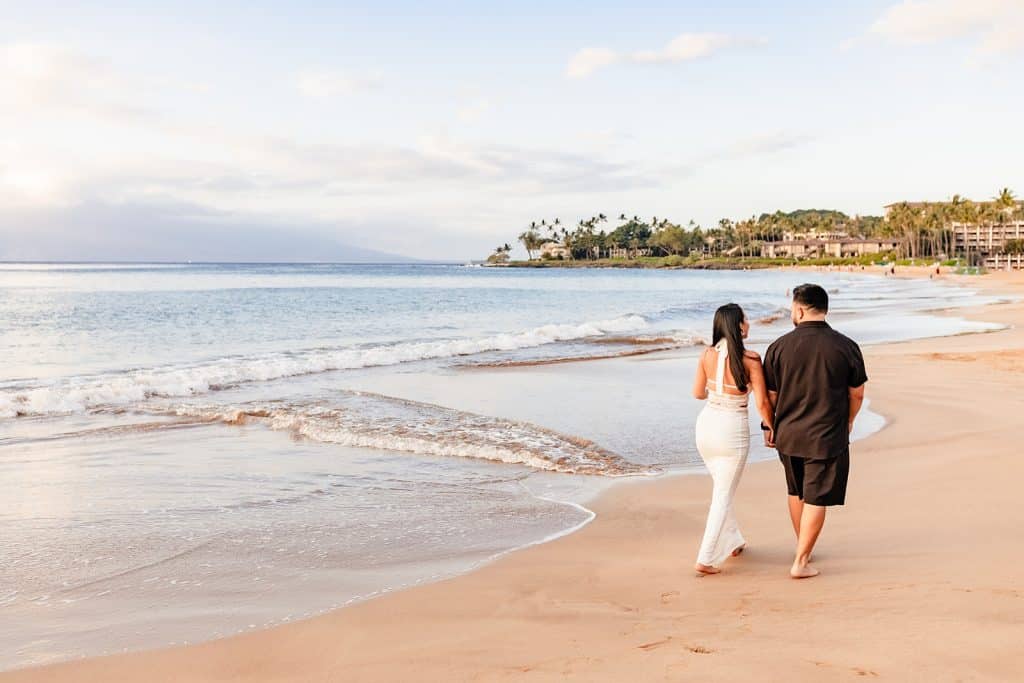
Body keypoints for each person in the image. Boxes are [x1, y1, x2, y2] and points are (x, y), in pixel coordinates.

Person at [763, 284, 867, 579]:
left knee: (796, 491)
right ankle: (801, 561)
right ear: (824, 309)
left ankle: (802, 546)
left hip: (788, 433)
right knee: (816, 496)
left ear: (798, 310)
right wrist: (849, 421)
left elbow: (769, 396)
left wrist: (768, 426)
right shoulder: (846, 346)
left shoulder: (778, 347)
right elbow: (856, 393)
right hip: (826, 433)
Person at [691, 304, 775, 575]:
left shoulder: (706, 355)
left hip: (705, 427)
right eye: (746, 320)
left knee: (721, 488)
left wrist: (716, 392)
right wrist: (770, 426)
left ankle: (734, 540)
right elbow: (762, 402)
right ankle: (705, 558)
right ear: (738, 326)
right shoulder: (751, 360)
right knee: (722, 495)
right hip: (732, 431)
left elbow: (697, 393)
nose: (749, 323)